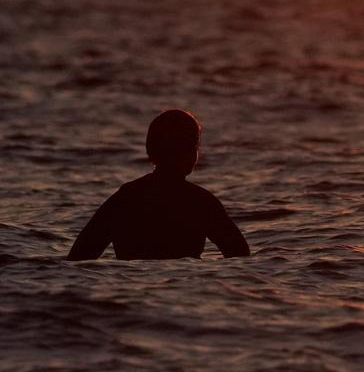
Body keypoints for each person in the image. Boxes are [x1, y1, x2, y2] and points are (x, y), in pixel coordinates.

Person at [67, 109, 250, 260]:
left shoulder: (125, 198)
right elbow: (240, 257)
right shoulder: (200, 202)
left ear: (149, 151)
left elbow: (79, 258)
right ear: (191, 153)